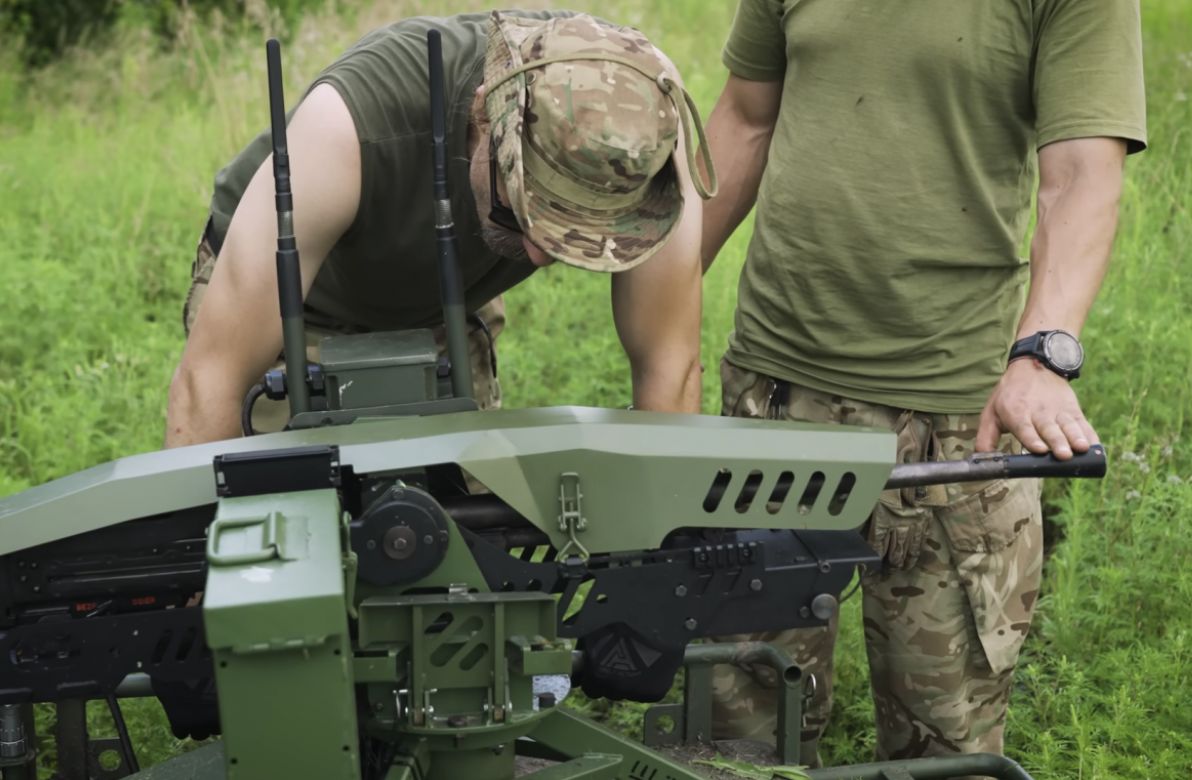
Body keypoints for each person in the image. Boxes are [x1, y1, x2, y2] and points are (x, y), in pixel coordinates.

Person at [701, 0, 1146, 766]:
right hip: (772, 396)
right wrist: (662, 294)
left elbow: (1080, 175)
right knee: (738, 733)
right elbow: (745, 118)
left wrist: (1039, 358)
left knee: (942, 748)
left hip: (953, 427)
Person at [166, 10, 715, 447]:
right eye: (523, 214)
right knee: (284, 522)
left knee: (453, 527)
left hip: (445, 305)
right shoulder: (345, 132)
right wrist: (204, 570)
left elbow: (669, 370)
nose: (540, 257)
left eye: (578, 235)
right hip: (299, 305)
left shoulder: (639, 139)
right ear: (483, 116)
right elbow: (210, 382)